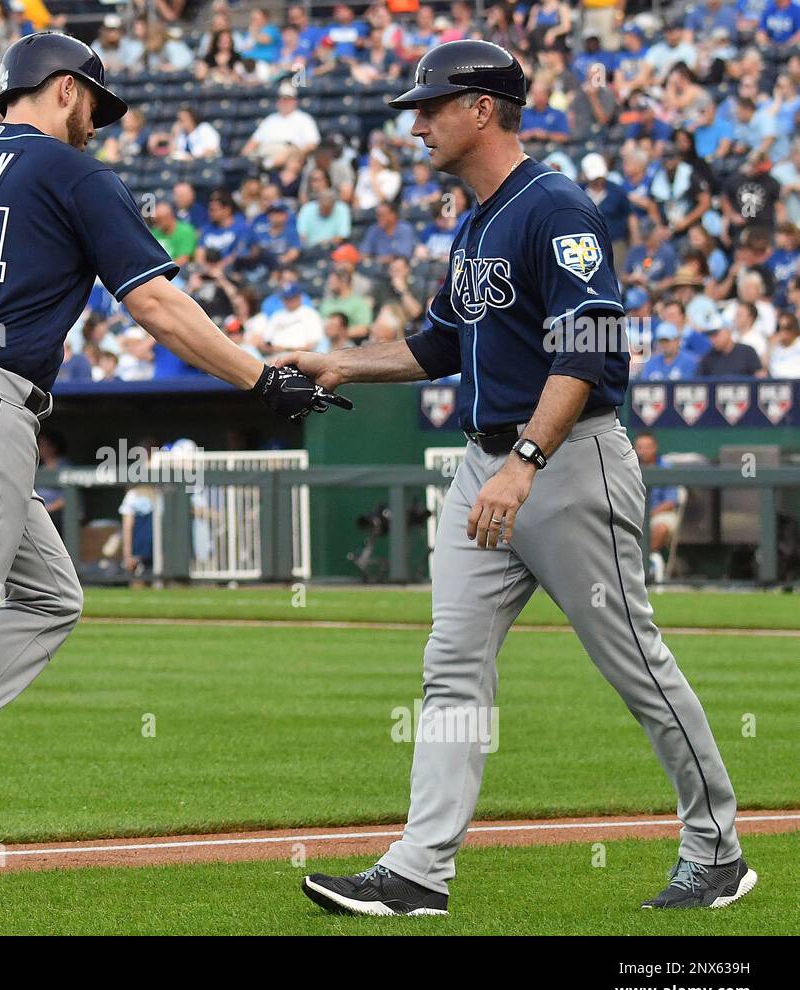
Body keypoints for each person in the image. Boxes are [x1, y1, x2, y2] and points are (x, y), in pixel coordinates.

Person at [0, 30, 350, 908]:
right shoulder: (73, 173)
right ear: (59, 88)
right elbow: (156, 301)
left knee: (52, 596)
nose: (98, 118)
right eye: (94, 97)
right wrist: (260, 377)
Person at [280, 40, 752, 917]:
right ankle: (419, 870)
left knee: (634, 666)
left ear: (483, 109)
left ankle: (717, 848)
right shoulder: (475, 220)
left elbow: (589, 348)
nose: (415, 124)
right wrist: (339, 362)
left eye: (430, 107)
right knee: (451, 666)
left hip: (568, 464)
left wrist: (526, 462)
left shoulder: (557, 209)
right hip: (487, 464)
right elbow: (433, 347)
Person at [634, 432, 679, 582]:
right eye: (640, 447)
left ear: (655, 448)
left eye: (648, 447)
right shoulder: (630, 467)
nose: (644, 451)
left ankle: (643, 562)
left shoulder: (666, 467)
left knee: (661, 527)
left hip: (658, 513)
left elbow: (671, 502)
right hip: (634, 513)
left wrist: (649, 514)